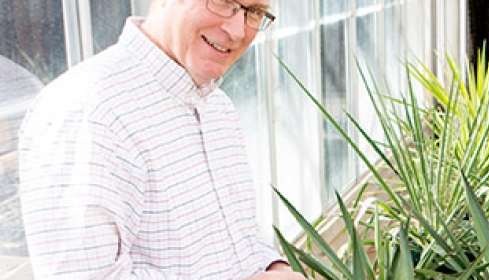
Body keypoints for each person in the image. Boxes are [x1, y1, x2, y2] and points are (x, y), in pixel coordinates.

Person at [18, 0, 305, 279]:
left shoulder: (217, 107)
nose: (238, 31)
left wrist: (274, 268)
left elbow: (240, 238)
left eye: (253, 12)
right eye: (222, 1)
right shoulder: (86, 111)